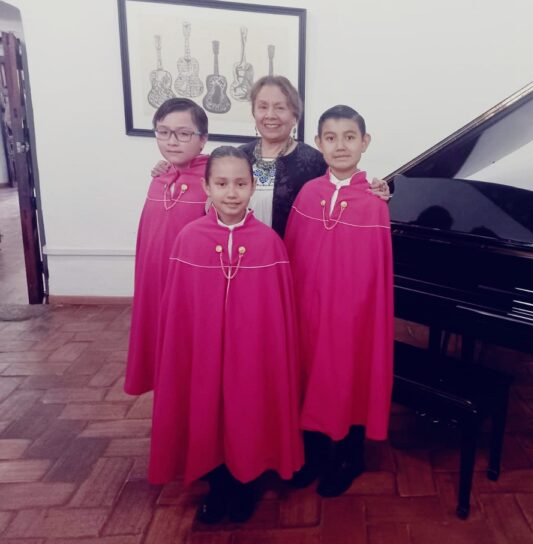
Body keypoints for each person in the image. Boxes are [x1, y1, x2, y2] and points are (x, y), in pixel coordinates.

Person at [148, 146, 304, 524]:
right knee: (207, 406)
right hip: (202, 352)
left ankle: (245, 482)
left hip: (252, 355)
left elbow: (277, 315)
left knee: (248, 408)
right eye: (221, 183)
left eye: (240, 183)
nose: (231, 192)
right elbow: (179, 311)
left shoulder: (269, 243)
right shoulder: (188, 239)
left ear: (253, 187)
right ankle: (217, 483)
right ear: (206, 186)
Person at [284, 105, 393, 497]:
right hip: (308, 309)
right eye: (331, 137)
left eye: (350, 137)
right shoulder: (306, 190)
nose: (340, 145)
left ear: (365, 142)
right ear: (318, 143)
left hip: (351, 315)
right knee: (309, 372)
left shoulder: (373, 200)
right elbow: (295, 249)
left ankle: (349, 456)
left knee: (349, 373)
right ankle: (312, 454)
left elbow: (374, 270)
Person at [150, 75, 390, 237]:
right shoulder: (237, 156)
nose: (270, 115)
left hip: (291, 262)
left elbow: (342, 190)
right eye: (263, 107)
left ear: (295, 116)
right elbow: (204, 185)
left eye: (280, 107)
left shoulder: (315, 161)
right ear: (254, 112)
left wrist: (378, 189)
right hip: (239, 256)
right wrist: (168, 169)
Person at [125, 98, 209, 395]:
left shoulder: (214, 180)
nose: (172, 141)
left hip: (192, 289)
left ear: (203, 139)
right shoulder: (159, 179)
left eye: (184, 133)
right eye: (163, 132)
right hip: (155, 281)